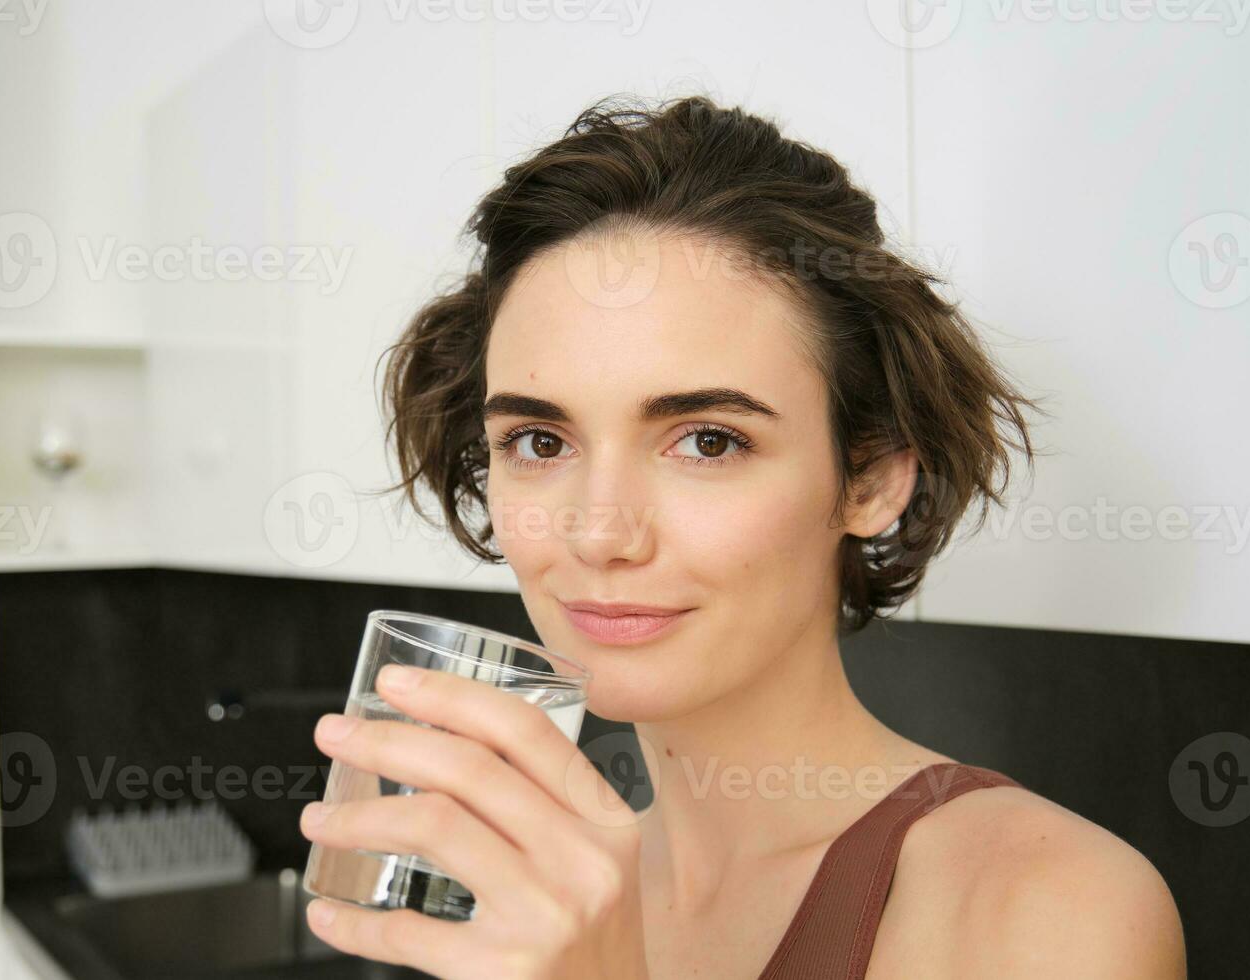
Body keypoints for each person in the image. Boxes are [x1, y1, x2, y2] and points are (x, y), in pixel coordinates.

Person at [297, 95, 1187, 979]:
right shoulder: (528, 900)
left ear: (871, 477)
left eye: (707, 442)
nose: (600, 534)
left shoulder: (1047, 912)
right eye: (539, 442)